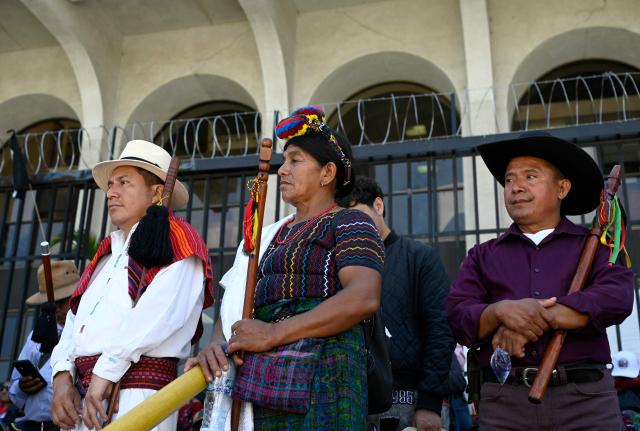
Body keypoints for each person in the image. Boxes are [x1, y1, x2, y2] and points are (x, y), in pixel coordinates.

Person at [189, 105, 385, 430]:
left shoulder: (350, 221)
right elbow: (236, 299)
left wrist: (273, 333)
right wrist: (216, 342)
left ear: (327, 173)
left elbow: (363, 297)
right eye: (283, 161)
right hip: (263, 383)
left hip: (325, 378)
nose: (282, 170)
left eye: (295, 160)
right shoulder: (270, 235)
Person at [446, 133, 634, 430]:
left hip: (586, 401)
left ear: (562, 188)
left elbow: (616, 298)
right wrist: (500, 312)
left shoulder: (596, 247)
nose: (516, 187)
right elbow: (458, 316)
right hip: (505, 404)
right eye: (509, 180)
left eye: (530, 176)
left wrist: (532, 317)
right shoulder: (482, 256)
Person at [50, 140, 214, 431]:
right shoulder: (106, 253)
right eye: (111, 184)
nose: (111, 192)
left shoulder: (179, 240)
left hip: (138, 396)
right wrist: (62, 375)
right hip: (86, 399)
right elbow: (76, 320)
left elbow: (159, 315)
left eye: (124, 183)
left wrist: (106, 372)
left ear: (156, 193)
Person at [336, 177, 455, 431]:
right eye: (344, 221)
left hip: (411, 401)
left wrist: (429, 403)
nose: (351, 227)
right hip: (352, 399)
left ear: (378, 206)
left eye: (357, 216)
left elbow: (441, 330)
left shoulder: (420, 258)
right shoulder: (336, 266)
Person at [8, 260, 79, 431]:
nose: (56, 309)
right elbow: (14, 392)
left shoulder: (86, 331)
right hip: (33, 425)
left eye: (62, 301)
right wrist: (23, 386)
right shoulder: (35, 336)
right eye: (50, 305)